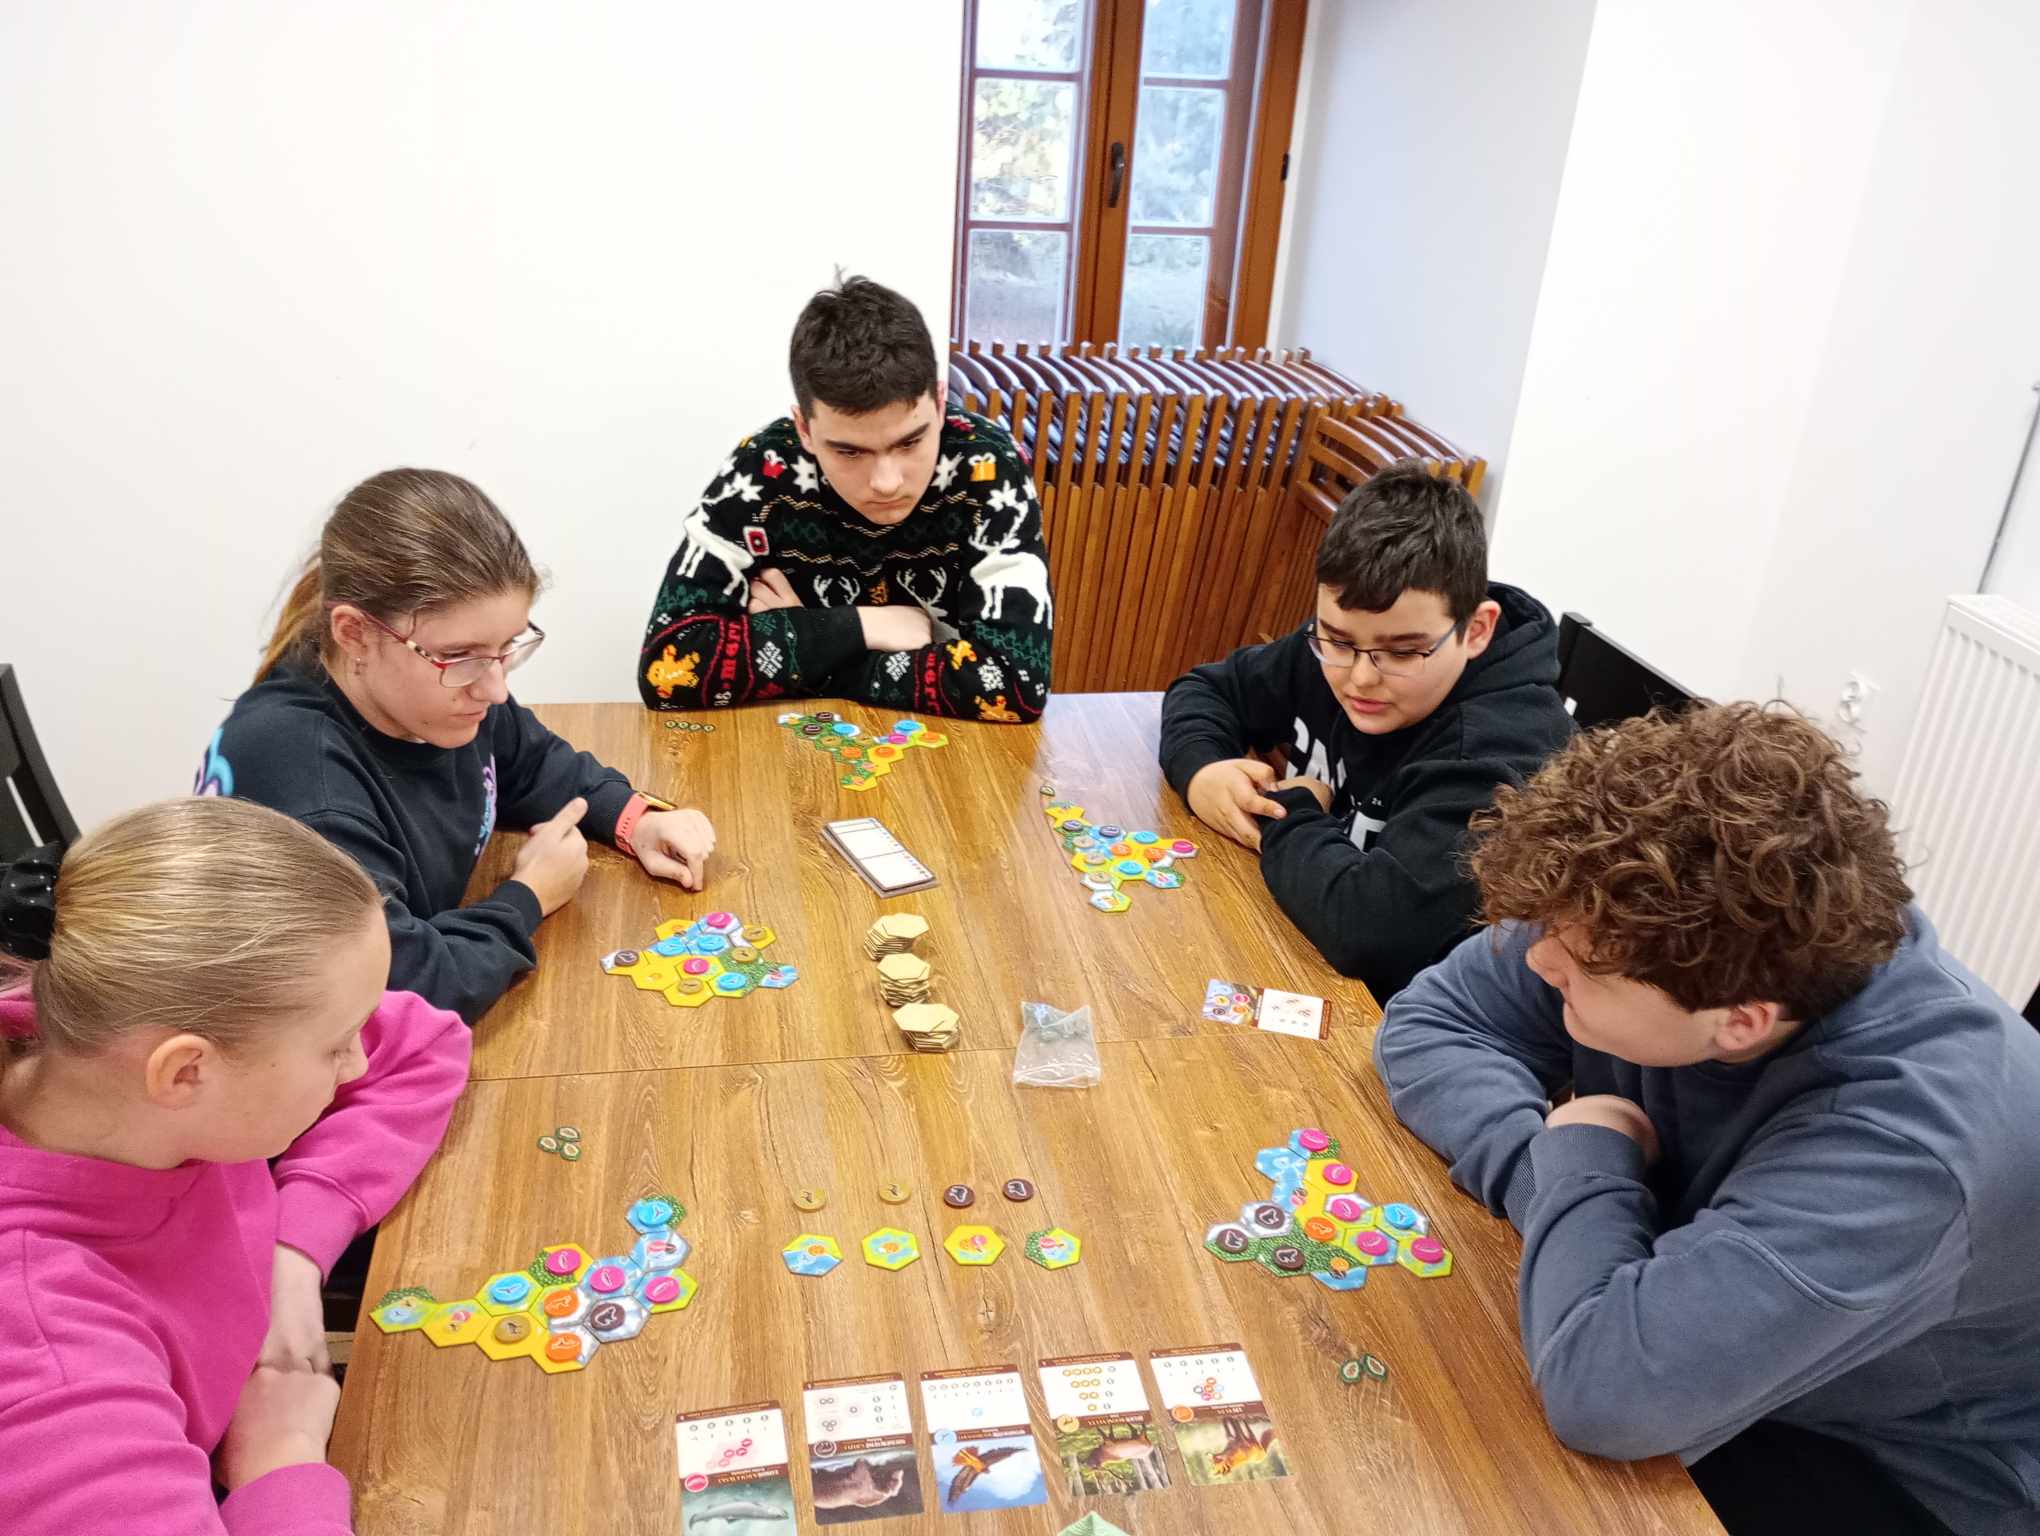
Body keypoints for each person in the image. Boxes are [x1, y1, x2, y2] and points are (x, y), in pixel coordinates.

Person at [1375, 704, 2040, 1536]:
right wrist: (1545, 1170)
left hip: (1895, 1464)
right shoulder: (1644, 925)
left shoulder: (1913, 1148)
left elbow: (1608, 1398)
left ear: (1741, 1022)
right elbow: (1434, 1019)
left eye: (1579, 969)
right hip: (1694, 1324)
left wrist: (1588, 1149)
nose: (1539, 959)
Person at [0, 797, 471, 1534]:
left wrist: (292, 1255)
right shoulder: (50, 1368)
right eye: (336, 1044)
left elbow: (421, 1042)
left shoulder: (83, 1037)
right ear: (185, 1073)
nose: (356, 1061)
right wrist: (280, 1461)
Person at [206, 467, 716, 1025]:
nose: (494, 689)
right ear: (354, 634)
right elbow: (408, 990)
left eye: (507, 647)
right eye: (461, 656)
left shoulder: (429, 695)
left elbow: (531, 763)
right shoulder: (306, 786)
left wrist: (633, 820)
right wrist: (529, 895)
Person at [1159, 461, 1572, 999]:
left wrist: (1291, 809)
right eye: (1337, 640)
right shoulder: (1349, 644)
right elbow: (1208, 688)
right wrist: (1204, 770)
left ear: (1476, 630)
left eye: (1402, 652)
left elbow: (1369, 932)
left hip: (1414, 1010)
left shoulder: (1503, 754)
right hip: (1297, 942)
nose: (1359, 678)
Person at [637, 274, 1052, 724]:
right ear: (804, 428)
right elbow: (667, 671)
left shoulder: (987, 463)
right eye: (850, 452)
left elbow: (1016, 683)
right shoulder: (762, 466)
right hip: (795, 748)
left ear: (938, 401)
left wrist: (815, 644)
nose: (886, 483)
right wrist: (860, 626)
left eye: (910, 441)